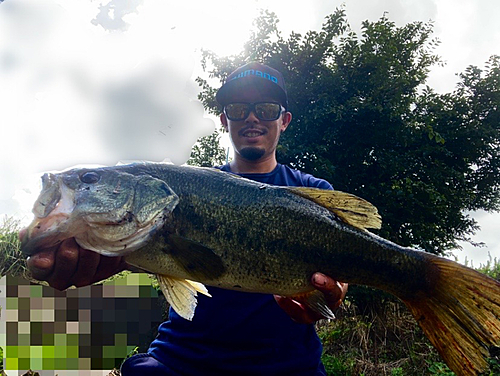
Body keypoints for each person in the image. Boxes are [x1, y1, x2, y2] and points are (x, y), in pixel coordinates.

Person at [24, 61, 348, 375]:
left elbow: (340, 271)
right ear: (224, 120)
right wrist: (109, 253)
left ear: (284, 120)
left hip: (289, 365)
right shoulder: (191, 185)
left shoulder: (312, 192)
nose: (251, 118)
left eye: (265, 109)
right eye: (237, 109)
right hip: (182, 359)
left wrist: (336, 287)